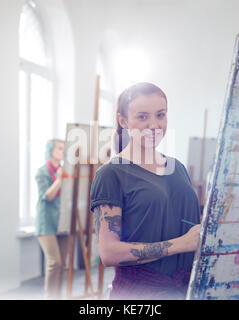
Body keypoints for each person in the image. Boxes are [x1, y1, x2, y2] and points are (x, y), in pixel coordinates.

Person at [90, 82, 201, 300]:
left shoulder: (177, 167)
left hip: (188, 290)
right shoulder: (111, 174)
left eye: (161, 115)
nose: (154, 125)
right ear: (123, 121)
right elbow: (109, 253)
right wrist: (180, 245)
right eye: (142, 117)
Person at [35, 139, 68, 299]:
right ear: (51, 150)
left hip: (63, 221)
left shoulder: (65, 170)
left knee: (62, 265)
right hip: (46, 222)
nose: (63, 151)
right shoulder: (42, 172)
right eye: (60, 148)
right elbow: (48, 196)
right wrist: (61, 180)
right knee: (54, 262)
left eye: (64, 148)